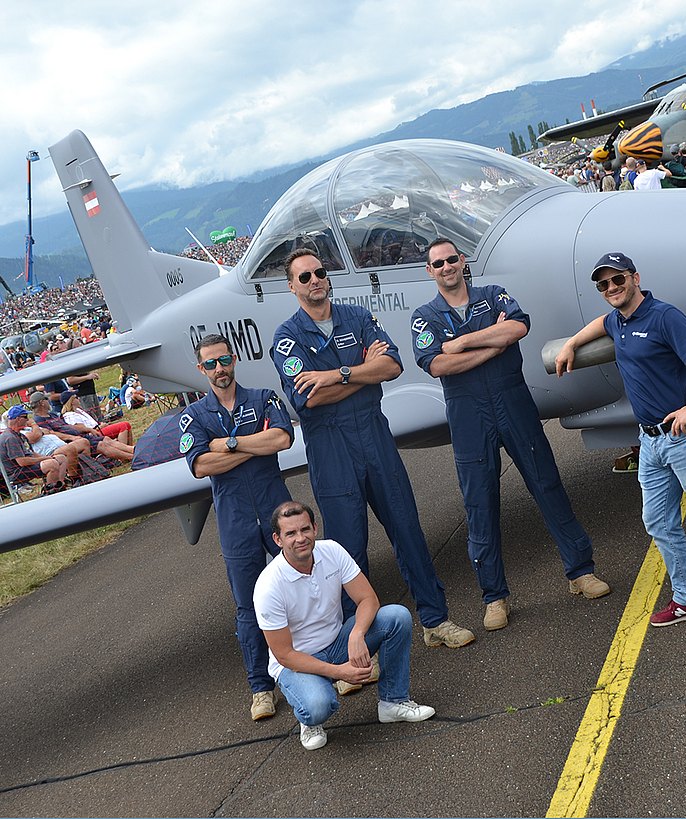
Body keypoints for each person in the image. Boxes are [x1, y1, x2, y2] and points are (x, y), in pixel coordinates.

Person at [272, 249, 474, 651]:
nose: (315, 281)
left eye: (319, 272)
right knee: (347, 552)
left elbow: (393, 367)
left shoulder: (358, 318)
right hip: (331, 450)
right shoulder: (287, 337)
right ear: (292, 286)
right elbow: (308, 399)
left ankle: (435, 620)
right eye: (305, 277)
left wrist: (337, 375)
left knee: (408, 530)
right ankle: (355, 643)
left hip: (373, 436)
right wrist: (363, 372)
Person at [411, 239, 610, 632]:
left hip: (512, 401)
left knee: (547, 484)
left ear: (462, 262)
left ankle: (580, 571)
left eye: (452, 259)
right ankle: (494, 597)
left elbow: (518, 326)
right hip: (469, 414)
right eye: (439, 263)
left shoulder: (491, 294)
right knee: (479, 505)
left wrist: (466, 342)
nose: (447, 267)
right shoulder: (424, 316)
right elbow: (436, 364)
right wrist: (494, 341)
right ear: (430, 271)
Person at [555, 252, 686, 629]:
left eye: (618, 280)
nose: (612, 288)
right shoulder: (618, 321)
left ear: (635, 278)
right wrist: (571, 344)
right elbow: (601, 323)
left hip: (684, 434)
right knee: (658, 522)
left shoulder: (664, 315)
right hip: (649, 441)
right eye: (604, 284)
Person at [254, 501, 435, 751]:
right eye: (291, 533)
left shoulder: (332, 551)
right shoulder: (268, 586)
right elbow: (284, 655)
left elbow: (368, 599)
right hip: (297, 662)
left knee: (396, 617)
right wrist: (340, 672)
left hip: (337, 640)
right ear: (277, 539)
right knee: (318, 707)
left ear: (315, 528)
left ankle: (393, 702)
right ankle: (309, 720)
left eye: (305, 529)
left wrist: (357, 634)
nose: (300, 538)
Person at [181, 334, 295, 721]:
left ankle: (320, 659)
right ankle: (261, 688)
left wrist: (225, 444)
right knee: (248, 606)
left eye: (224, 360)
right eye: (210, 363)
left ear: (235, 359)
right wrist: (249, 445)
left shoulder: (263, 397)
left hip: (277, 510)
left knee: (302, 584)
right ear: (201, 369)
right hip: (235, 520)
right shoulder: (194, 416)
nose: (219, 369)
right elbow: (200, 466)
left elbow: (281, 438)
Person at [0, 406, 68, 494]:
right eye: (25, 417)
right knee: (51, 464)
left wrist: (47, 457)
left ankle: (60, 487)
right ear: (18, 419)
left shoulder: (19, 435)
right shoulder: (10, 437)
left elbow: (31, 453)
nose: (28, 420)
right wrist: (44, 459)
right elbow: (22, 462)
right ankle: (50, 493)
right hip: (16, 473)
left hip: (25, 467)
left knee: (61, 458)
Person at [62, 391, 133, 445]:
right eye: (76, 398)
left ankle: (130, 450)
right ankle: (123, 453)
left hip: (98, 429)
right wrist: (99, 427)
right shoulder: (69, 415)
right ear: (71, 401)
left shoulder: (79, 410)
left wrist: (100, 424)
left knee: (127, 425)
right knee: (123, 426)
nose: (79, 399)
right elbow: (82, 430)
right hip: (94, 434)